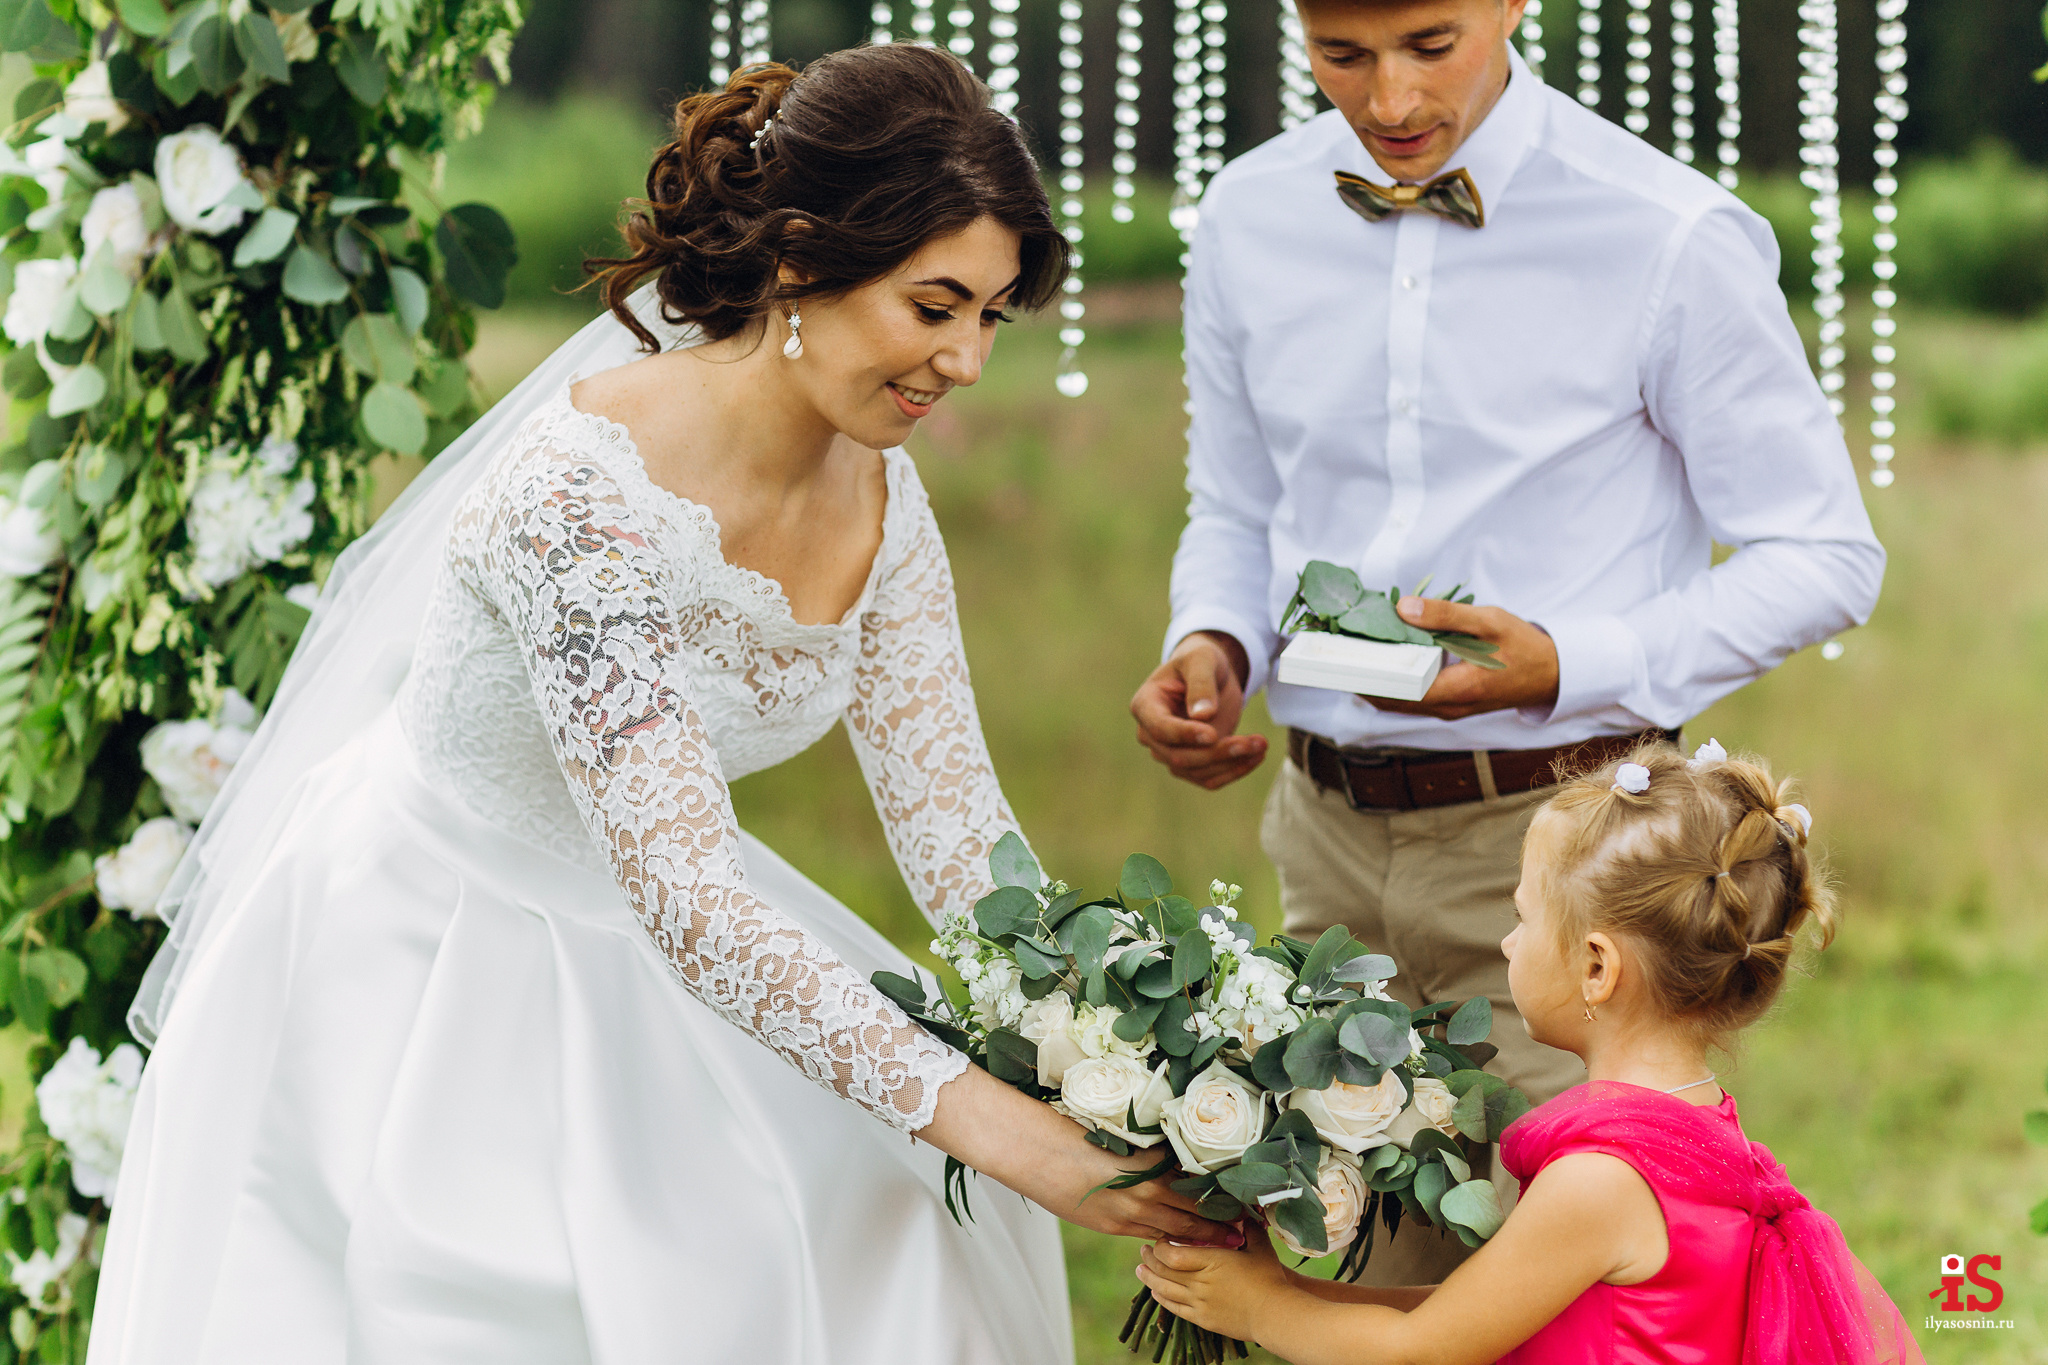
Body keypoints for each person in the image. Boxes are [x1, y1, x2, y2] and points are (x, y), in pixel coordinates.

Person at [91, 48, 1224, 1365]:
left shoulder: (883, 500)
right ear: (801, 259)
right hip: (431, 957)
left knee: (886, 1230)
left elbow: (962, 837)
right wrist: (1009, 1133)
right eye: (936, 306)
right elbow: (686, 894)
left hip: (675, 937)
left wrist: (1136, 1046)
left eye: (994, 316)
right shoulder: (578, 496)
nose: (968, 360)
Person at [1128, 0, 1883, 1283]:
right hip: (1321, 849)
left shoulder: (1667, 233)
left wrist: (1566, 663)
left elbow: (1823, 557)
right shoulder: (1248, 219)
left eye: (1432, 46)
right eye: (1341, 55)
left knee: (1560, 1307)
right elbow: (1238, 508)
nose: (1388, 104)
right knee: (1354, 1278)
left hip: (1570, 856)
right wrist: (1211, 639)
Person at [1134, 743, 1925, 1365]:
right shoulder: (1695, 1125)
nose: (1508, 941)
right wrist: (1288, 1289)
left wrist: (1258, 1310)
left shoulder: (1602, 1180)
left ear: (1595, 966)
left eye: (1519, 918)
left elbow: (1429, 1348)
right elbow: (1480, 1315)